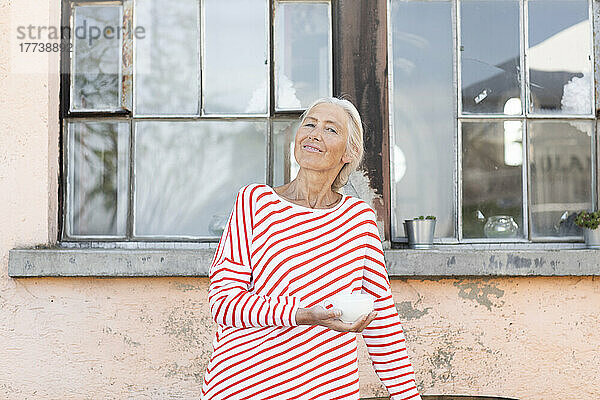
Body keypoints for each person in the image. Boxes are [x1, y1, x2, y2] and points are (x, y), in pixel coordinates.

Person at [201, 97, 422, 400]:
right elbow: (224, 303)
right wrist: (303, 314)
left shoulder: (360, 220)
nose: (315, 134)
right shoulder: (255, 203)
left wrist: (407, 397)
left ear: (349, 152)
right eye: (310, 124)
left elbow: (382, 320)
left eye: (331, 130)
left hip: (327, 390)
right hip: (243, 385)